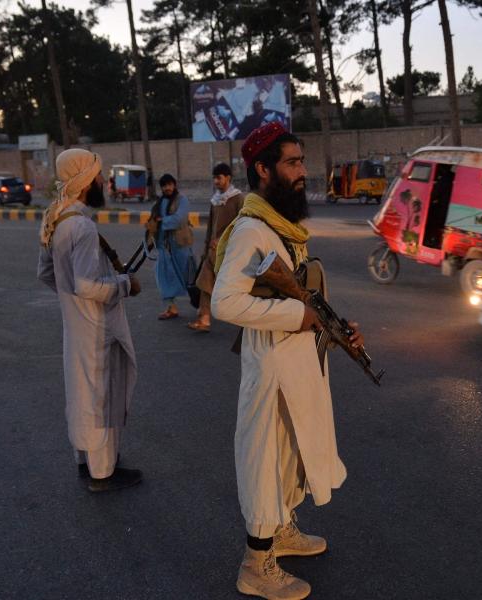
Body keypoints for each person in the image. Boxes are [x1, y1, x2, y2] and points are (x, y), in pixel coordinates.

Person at [212, 122, 363, 600]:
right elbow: (224, 303)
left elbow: (304, 293)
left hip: (299, 364)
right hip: (273, 368)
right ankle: (256, 564)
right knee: (265, 458)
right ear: (262, 169)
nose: (303, 171)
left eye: (302, 161)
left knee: (291, 454)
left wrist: (335, 330)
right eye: (292, 163)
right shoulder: (252, 229)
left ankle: (282, 531)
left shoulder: (282, 226)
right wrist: (294, 314)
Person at [37, 148, 143, 493]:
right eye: (99, 175)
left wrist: (71, 304)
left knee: (82, 393)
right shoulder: (80, 226)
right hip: (96, 326)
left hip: (76, 326)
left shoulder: (56, 217)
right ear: (85, 181)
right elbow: (86, 285)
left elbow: (46, 274)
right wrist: (125, 285)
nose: (102, 180)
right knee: (101, 394)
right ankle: (103, 473)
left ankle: (87, 462)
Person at [188, 163, 244, 332]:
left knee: (234, 285)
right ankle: (204, 317)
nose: (216, 181)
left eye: (219, 177)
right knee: (205, 280)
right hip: (213, 251)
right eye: (214, 178)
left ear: (228, 178)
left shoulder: (238, 199)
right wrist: (207, 249)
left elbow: (243, 224)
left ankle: (245, 317)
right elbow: (211, 227)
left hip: (231, 251)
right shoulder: (215, 200)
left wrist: (223, 240)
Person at [148, 173, 194, 320]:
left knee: (188, 278)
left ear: (174, 185)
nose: (167, 188)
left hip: (180, 244)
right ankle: (171, 307)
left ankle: (203, 307)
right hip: (163, 246)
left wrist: (162, 221)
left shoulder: (182, 200)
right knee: (163, 276)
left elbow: (179, 219)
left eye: (169, 184)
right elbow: (153, 220)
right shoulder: (159, 202)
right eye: (164, 185)